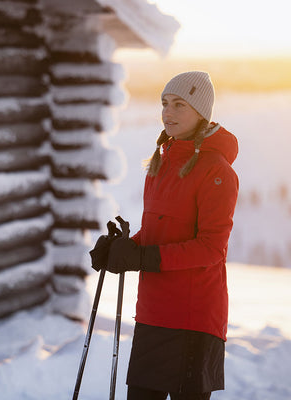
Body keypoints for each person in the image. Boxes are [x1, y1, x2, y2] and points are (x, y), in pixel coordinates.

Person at [90, 71, 239, 400]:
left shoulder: (218, 171)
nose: (167, 113)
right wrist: (123, 249)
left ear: (201, 112)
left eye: (179, 105)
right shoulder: (162, 163)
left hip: (193, 319)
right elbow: (159, 232)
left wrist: (143, 258)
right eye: (164, 104)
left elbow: (212, 248)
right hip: (153, 313)